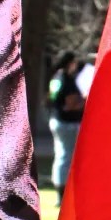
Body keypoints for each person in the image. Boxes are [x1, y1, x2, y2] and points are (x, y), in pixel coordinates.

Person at [46, 53, 87, 191]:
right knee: (66, 157)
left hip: (57, 119)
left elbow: (53, 98)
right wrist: (85, 101)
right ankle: (62, 191)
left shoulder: (56, 78)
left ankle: (59, 188)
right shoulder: (67, 79)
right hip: (66, 122)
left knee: (61, 155)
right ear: (69, 63)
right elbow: (71, 103)